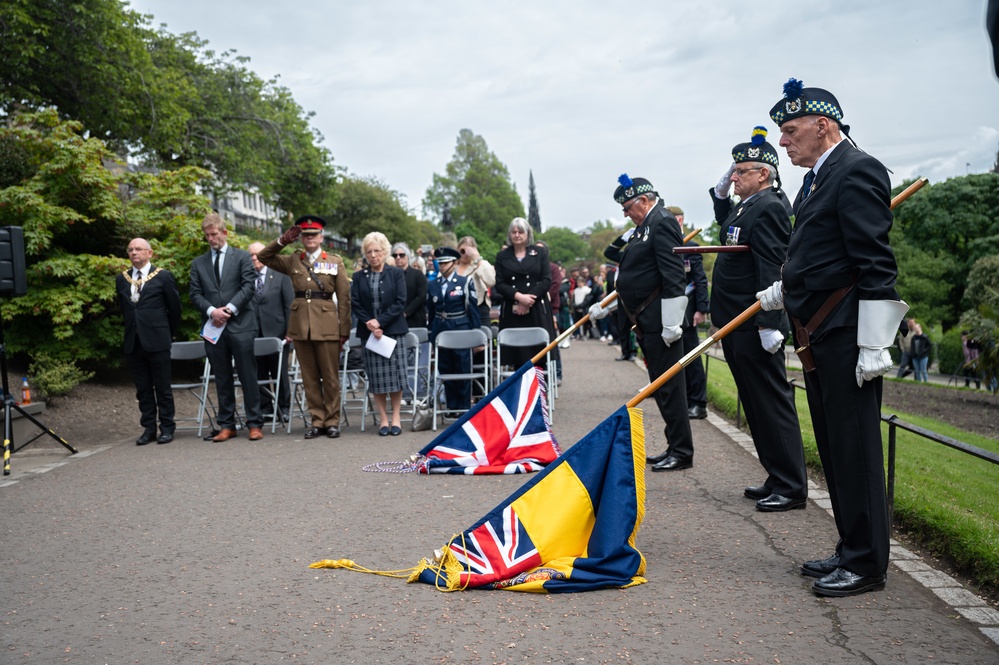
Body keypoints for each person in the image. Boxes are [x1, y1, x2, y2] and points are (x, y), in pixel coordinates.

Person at [758, 78, 908, 597]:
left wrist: (875, 341)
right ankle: (851, 545)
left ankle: (867, 564)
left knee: (857, 449)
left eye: (791, 130)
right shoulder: (816, 179)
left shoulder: (857, 169)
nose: (783, 141)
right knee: (835, 448)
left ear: (824, 126)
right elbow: (819, 252)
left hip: (847, 333)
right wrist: (788, 284)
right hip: (819, 331)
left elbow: (875, 263)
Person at [708, 127, 808, 513]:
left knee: (770, 402)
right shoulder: (748, 204)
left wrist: (770, 323)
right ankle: (776, 473)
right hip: (737, 323)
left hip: (754, 323)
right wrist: (720, 194)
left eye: (741, 172)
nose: (734, 177)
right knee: (754, 402)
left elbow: (772, 265)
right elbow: (729, 229)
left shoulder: (769, 207)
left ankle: (791, 484)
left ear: (763, 173)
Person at [591, 175, 692, 472]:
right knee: (661, 387)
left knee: (670, 387)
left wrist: (673, 321)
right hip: (647, 321)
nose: (625, 213)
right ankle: (675, 445)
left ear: (644, 201)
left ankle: (683, 450)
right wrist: (606, 304)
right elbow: (633, 273)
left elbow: (674, 274)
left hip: (662, 321)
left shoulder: (662, 221)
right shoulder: (642, 228)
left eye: (627, 207)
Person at [258, 215, 351, 439]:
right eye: (305, 235)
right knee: (309, 377)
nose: (310, 238)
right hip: (301, 326)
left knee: (330, 376)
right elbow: (264, 256)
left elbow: (344, 298)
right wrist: (282, 241)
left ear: (321, 237)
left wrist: (344, 330)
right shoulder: (293, 259)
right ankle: (317, 420)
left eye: (314, 234)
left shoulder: (334, 261)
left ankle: (332, 421)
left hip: (327, 324)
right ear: (300, 237)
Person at [189, 213, 265, 441]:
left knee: (247, 375)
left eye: (214, 234)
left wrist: (229, 309)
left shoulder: (242, 257)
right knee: (221, 377)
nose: (211, 239)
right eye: (207, 235)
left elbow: (248, 287)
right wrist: (212, 311)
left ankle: (254, 423)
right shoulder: (198, 263)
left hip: (240, 324)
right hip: (214, 326)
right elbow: (195, 293)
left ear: (224, 233)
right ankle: (227, 424)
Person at [116, 238, 182, 445]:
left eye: (138, 249)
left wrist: (165, 334)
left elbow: (175, 309)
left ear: (150, 253)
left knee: (162, 387)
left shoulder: (162, 277)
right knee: (143, 389)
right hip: (134, 342)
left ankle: (167, 427)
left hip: (158, 340)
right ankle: (148, 428)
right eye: (130, 250)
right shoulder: (122, 279)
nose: (134, 252)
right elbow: (124, 309)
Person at [351, 231, 409, 436]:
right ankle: (383, 419)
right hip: (369, 334)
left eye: (377, 251)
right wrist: (371, 324)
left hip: (393, 331)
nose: (373, 255)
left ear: (385, 252)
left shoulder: (396, 273)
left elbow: (401, 301)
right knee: (377, 378)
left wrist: (381, 321)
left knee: (395, 377)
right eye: (369, 252)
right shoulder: (359, 277)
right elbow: (356, 303)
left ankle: (396, 417)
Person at [494, 218, 556, 368]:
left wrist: (529, 300)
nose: (517, 235)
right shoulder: (502, 256)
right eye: (513, 232)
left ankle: (540, 389)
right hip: (512, 309)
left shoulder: (539, 253)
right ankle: (520, 389)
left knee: (539, 354)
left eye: (520, 232)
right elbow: (500, 283)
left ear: (528, 234)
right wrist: (519, 297)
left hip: (536, 309)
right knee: (518, 355)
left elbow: (546, 280)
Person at [667, 206, 710, 420]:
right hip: (671, 309)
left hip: (689, 308)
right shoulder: (665, 245)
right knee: (676, 357)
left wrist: (702, 309)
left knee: (692, 355)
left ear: (680, 220)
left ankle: (699, 403)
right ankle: (684, 399)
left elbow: (700, 279)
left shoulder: (690, 245)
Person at [428, 246, 481, 414]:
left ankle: (464, 407)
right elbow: (430, 310)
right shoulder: (432, 284)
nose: (442, 266)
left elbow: (472, 309)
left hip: (460, 329)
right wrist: (431, 333)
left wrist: (476, 334)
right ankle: (451, 407)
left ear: (454, 263)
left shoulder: (464, 282)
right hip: (441, 330)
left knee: (462, 367)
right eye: (440, 263)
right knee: (445, 368)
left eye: (446, 263)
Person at [248, 242, 294, 423]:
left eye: (257, 254)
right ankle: (266, 406)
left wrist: (290, 330)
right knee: (259, 373)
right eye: (250, 254)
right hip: (254, 335)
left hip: (278, 334)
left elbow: (289, 305)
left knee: (280, 374)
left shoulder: (281, 275)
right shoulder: (246, 276)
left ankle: (283, 407)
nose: (254, 258)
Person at [392, 242, 429, 403]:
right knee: (401, 360)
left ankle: (418, 393)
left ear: (408, 256)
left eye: (402, 255)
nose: (398, 258)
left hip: (416, 320)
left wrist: (406, 312)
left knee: (418, 360)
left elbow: (422, 296)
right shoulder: (390, 275)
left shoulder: (417, 275)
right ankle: (404, 393)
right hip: (396, 322)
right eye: (395, 255)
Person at [604, 229, 638, 362]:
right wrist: (622, 239)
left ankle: (633, 352)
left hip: (634, 297)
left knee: (633, 328)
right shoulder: (623, 257)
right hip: (620, 297)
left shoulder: (636, 256)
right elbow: (609, 252)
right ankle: (625, 352)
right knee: (622, 326)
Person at [455, 236, 496, 325]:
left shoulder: (480, 265)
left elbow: (491, 281)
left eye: (468, 251)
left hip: (478, 309)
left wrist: (477, 259)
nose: (465, 254)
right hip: (456, 310)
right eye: (462, 251)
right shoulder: (451, 267)